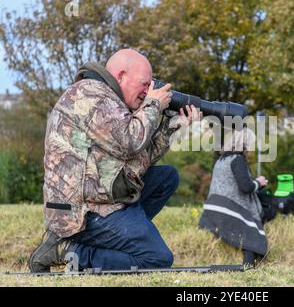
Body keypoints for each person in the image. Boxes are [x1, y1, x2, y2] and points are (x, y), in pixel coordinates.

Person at [29, 49, 202, 272]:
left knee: (166, 177)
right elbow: (129, 142)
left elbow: (138, 156)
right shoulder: (91, 96)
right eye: (145, 84)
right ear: (121, 76)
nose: (148, 91)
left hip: (101, 196)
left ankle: (120, 241)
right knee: (157, 259)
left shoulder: (110, 100)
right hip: (82, 212)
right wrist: (153, 105)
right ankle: (72, 251)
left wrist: (174, 125)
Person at [199, 128, 275, 267]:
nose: (251, 149)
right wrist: (260, 182)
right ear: (245, 144)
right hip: (226, 208)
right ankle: (248, 265)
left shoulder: (221, 160)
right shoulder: (237, 160)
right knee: (253, 231)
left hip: (212, 206)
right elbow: (246, 187)